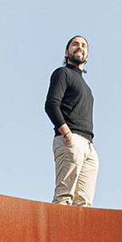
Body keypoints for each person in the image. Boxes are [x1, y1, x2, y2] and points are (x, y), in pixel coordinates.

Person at [44, 35, 99, 206]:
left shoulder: (87, 88)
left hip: (89, 147)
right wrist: (67, 133)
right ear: (67, 52)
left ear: (87, 55)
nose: (80, 47)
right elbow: (51, 104)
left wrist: (90, 146)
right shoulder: (63, 73)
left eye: (84, 45)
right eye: (75, 44)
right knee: (64, 196)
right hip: (70, 140)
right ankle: (56, 224)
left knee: (84, 203)